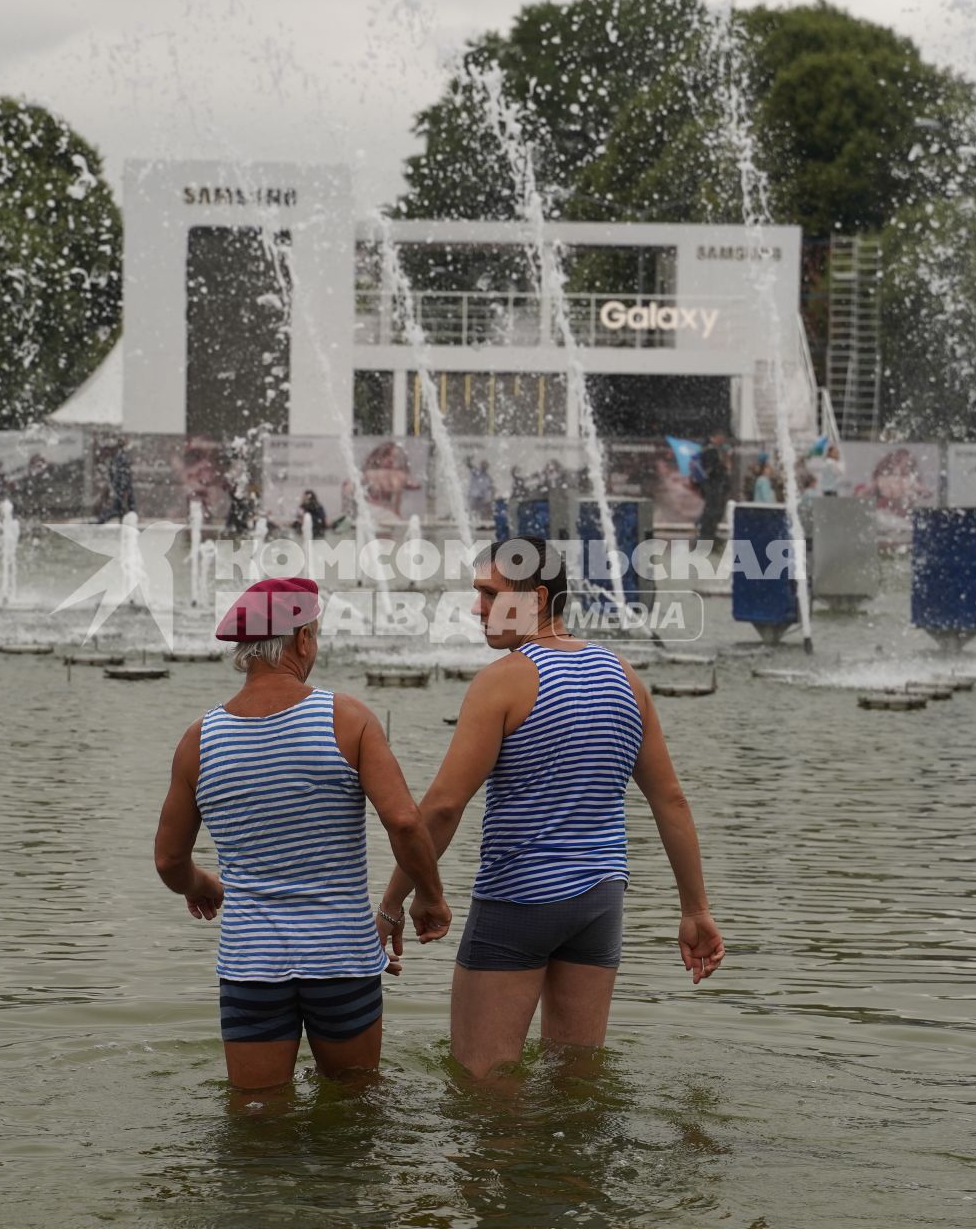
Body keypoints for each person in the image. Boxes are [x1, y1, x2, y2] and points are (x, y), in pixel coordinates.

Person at [376, 539, 725, 1079]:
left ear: (536, 598)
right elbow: (670, 800)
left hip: (519, 898)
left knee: (480, 1084)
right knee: (576, 1083)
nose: (477, 609)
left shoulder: (505, 681)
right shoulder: (624, 677)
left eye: (490, 595)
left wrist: (396, 901)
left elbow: (443, 807)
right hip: (600, 901)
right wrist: (695, 910)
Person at [154, 577, 452, 1091]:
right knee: (354, 1108)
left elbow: (167, 862)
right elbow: (404, 822)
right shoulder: (347, 719)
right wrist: (430, 895)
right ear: (304, 640)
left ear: (246, 651)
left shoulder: (199, 740)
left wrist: (201, 884)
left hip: (251, 964)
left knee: (256, 1119)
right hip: (341, 957)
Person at [696, 434, 731, 542]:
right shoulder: (710, 450)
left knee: (713, 509)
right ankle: (706, 533)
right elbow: (713, 469)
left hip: (712, 486)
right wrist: (723, 464)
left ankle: (709, 532)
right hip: (712, 486)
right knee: (712, 509)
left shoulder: (709, 449)